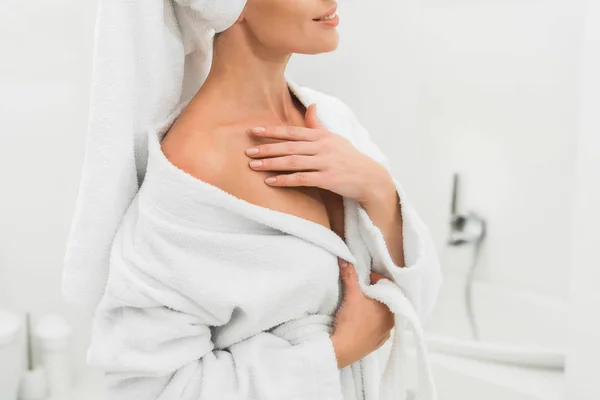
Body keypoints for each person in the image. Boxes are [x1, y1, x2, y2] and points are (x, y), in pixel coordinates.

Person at [66, 1, 442, 399]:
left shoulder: (332, 118)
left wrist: (378, 189)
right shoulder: (197, 166)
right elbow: (146, 387)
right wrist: (334, 353)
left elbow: (420, 303)